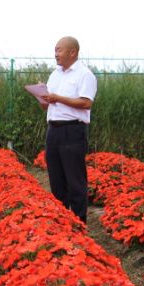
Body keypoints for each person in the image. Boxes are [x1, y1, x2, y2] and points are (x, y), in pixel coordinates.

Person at [42, 36, 97, 223]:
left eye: (59, 50)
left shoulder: (84, 74)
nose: (56, 54)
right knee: (56, 179)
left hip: (73, 131)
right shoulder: (55, 74)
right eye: (55, 50)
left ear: (72, 52)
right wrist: (44, 99)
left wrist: (58, 98)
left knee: (75, 180)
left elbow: (86, 102)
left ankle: (79, 222)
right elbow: (49, 101)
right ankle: (61, 222)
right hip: (53, 130)